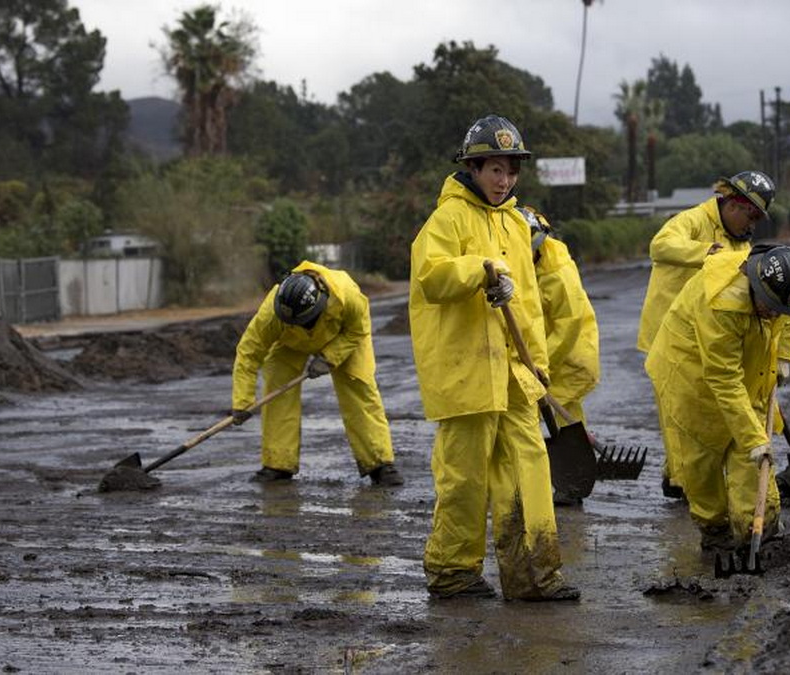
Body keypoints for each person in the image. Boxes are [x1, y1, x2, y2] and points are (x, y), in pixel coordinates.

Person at [409, 114, 579, 602]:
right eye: (494, 170)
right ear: (473, 168)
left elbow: (526, 303)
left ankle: (533, 576)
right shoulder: (446, 220)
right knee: (464, 479)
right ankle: (452, 573)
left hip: (514, 374)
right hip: (465, 376)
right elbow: (431, 279)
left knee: (529, 469)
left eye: (510, 171)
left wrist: (539, 366)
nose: (504, 181)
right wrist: (478, 270)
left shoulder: (515, 223)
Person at [644, 245, 790, 554]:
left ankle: (760, 532)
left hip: (743, 368)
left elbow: (789, 317)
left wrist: (784, 354)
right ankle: (715, 530)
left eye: (781, 308)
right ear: (755, 286)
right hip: (689, 374)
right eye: (772, 307)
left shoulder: (781, 285)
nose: (775, 315)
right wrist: (752, 438)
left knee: (752, 459)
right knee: (702, 461)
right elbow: (722, 378)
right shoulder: (722, 303)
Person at [635, 170, 777, 499]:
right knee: (676, 407)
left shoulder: (742, 241)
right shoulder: (694, 220)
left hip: (707, 332)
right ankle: (679, 479)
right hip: (667, 332)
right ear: (734, 204)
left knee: (703, 406)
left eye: (758, 217)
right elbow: (660, 246)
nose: (752, 224)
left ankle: (690, 472)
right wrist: (706, 254)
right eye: (751, 215)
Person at [231, 260, 401, 486]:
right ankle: (277, 464)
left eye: (306, 321)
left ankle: (380, 464)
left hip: (344, 338)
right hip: (290, 344)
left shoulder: (347, 295)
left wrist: (330, 357)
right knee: (277, 388)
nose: (304, 326)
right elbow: (248, 353)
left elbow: (358, 330)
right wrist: (242, 402)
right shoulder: (272, 312)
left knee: (359, 389)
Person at [521, 206, 601, 505]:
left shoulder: (557, 273)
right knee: (568, 418)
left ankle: (558, 482)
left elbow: (568, 326)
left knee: (527, 412)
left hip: (571, 358)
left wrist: (539, 367)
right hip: (555, 355)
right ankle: (573, 483)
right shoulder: (534, 264)